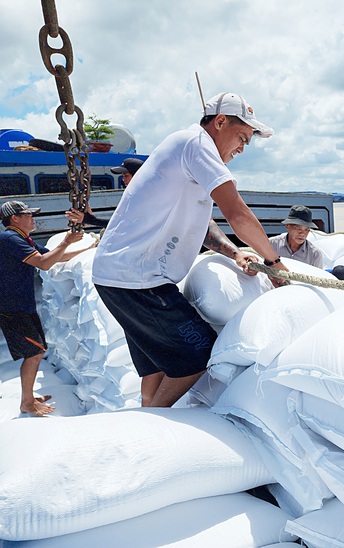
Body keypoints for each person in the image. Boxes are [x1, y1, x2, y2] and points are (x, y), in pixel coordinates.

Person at [92, 91, 287, 408]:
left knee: (158, 359)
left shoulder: (188, 150)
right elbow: (236, 212)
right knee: (199, 355)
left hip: (122, 274)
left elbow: (203, 223)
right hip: (138, 279)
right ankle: (153, 418)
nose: (241, 149)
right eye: (242, 138)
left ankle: (147, 410)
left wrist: (234, 252)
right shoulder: (196, 144)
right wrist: (274, 261)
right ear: (220, 121)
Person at [0, 200, 95, 416]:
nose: (33, 219)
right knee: (34, 352)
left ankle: (28, 397)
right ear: (15, 218)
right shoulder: (9, 239)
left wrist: (86, 248)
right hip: (12, 308)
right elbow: (43, 263)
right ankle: (26, 402)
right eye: (28, 215)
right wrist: (67, 241)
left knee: (36, 350)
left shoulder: (22, 238)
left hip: (22, 306)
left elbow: (53, 258)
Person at [65, 158, 145, 228]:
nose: (123, 179)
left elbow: (125, 226)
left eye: (126, 176)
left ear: (136, 176)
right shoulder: (138, 195)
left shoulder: (142, 198)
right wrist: (90, 219)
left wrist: (90, 220)